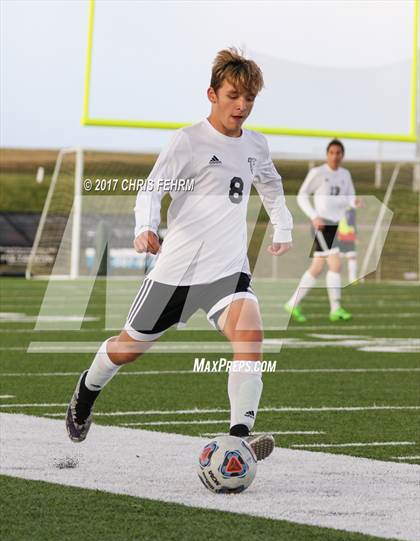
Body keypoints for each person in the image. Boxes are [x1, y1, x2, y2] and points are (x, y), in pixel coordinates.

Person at [66, 48, 293, 461]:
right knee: (127, 349)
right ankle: (88, 387)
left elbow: (271, 185)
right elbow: (151, 189)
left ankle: (238, 438)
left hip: (227, 271)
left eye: (249, 99)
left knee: (251, 335)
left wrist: (283, 226)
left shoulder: (256, 145)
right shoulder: (188, 141)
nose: (241, 106)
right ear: (212, 94)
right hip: (177, 272)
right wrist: (145, 227)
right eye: (233, 96)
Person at [284, 139, 355, 323]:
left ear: (342, 155)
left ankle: (292, 303)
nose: (335, 156)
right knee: (336, 265)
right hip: (322, 225)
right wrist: (314, 216)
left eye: (338, 153)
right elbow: (302, 195)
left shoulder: (345, 174)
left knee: (317, 268)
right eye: (331, 152)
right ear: (327, 154)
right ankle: (336, 309)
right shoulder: (318, 172)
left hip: (335, 225)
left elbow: (349, 197)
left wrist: (354, 202)